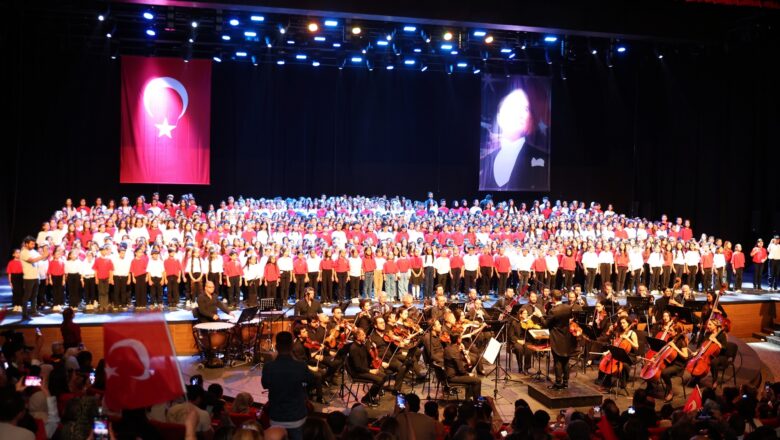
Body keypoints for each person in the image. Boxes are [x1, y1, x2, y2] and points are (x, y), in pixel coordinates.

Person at [479, 88, 549, 191]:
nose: (519, 113)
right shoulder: (485, 162)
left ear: (530, 120)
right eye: (512, 106)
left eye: (525, 109)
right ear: (499, 117)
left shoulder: (543, 159)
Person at [262, 331, 314, 440]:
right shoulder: (300, 366)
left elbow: (265, 385)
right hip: (297, 417)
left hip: (276, 416)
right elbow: (311, 381)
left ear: (276, 347)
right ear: (291, 346)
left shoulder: (268, 367)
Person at [543, 289, 575, 390]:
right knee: (566, 360)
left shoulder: (553, 310)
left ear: (553, 298)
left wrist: (540, 316)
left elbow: (546, 324)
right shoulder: (568, 307)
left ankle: (558, 383)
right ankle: (565, 382)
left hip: (557, 338)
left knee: (558, 361)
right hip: (567, 337)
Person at [347, 328, 386, 406]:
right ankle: (367, 399)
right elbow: (358, 367)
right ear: (357, 337)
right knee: (379, 380)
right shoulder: (354, 348)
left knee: (384, 376)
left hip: (365, 369)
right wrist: (370, 371)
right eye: (363, 335)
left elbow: (370, 358)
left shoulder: (363, 345)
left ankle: (372, 396)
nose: (365, 336)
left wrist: (373, 349)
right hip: (358, 372)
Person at [443, 332, 482, 400]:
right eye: (460, 338)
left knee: (472, 376)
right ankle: (477, 402)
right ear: (458, 340)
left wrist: (462, 351)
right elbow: (461, 370)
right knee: (477, 380)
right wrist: (468, 374)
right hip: (453, 377)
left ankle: (468, 399)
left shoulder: (447, 348)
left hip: (448, 374)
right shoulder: (455, 351)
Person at [20, 236, 49, 320]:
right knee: (27, 296)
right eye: (31, 244)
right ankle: (24, 314)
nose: (33, 245)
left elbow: (42, 258)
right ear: (26, 244)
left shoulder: (33, 251)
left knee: (34, 296)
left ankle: (34, 311)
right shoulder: (24, 252)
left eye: (34, 244)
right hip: (28, 278)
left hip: (36, 276)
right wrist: (42, 256)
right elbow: (32, 260)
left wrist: (45, 249)